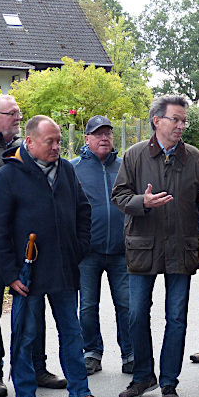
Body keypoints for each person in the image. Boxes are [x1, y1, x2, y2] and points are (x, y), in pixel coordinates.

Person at [0, 115, 109, 397]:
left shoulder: (67, 170)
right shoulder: (8, 176)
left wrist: (79, 247)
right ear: (29, 142)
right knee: (25, 335)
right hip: (27, 272)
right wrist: (10, 273)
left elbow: (84, 210)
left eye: (58, 141)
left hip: (65, 268)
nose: (57, 147)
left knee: (72, 332)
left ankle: (80, 394)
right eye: (50, 142)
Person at [112, 95, 199, 397]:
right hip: (143, 247)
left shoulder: (195, 158)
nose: (181, 125)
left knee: (177, 318)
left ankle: (169, 383)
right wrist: (141, 203)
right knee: (135, 315)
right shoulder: (134, 156)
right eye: (176, 119)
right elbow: (118, 196)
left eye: (184, 120)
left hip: (181, 248)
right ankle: (143, 376)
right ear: (156, 121)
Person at [0, 95, 66, 396]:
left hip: (30, 244)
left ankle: (37, 368)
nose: (19, 118)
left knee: (35, 306)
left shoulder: (27, 147)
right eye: (13, 113)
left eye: (20, 113)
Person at [71, 115, 133, 376]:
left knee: (127, 305)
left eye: (107, 133)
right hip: (88, 252)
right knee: (87, 306)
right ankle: (91, 352)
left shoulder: (125, 166)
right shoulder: (72, 168)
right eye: (98, 134)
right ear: (87, 139)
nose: (104, 138)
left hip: (121, 251)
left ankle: (130, 353)